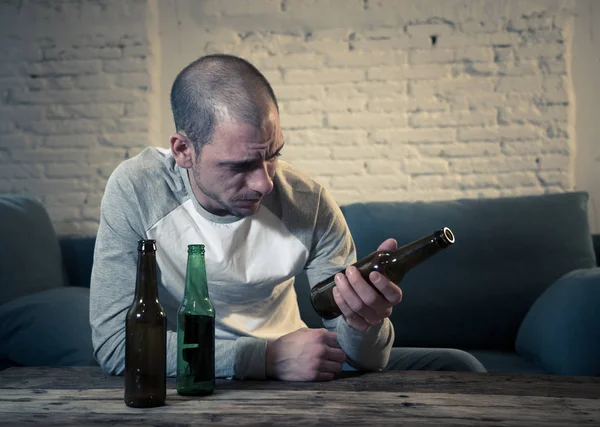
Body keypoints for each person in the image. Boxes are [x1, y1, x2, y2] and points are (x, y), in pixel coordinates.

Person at [90, 53, 485, 381]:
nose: (264, 182)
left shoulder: (308, 201)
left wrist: (366, 323)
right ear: (183, 151)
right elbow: (116, 346)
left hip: (297, 369)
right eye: (241, 165)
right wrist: (264, 358)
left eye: (272, 154)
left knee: (459, 365)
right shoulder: (137, 190)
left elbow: (365, 358)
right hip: (200, 374)